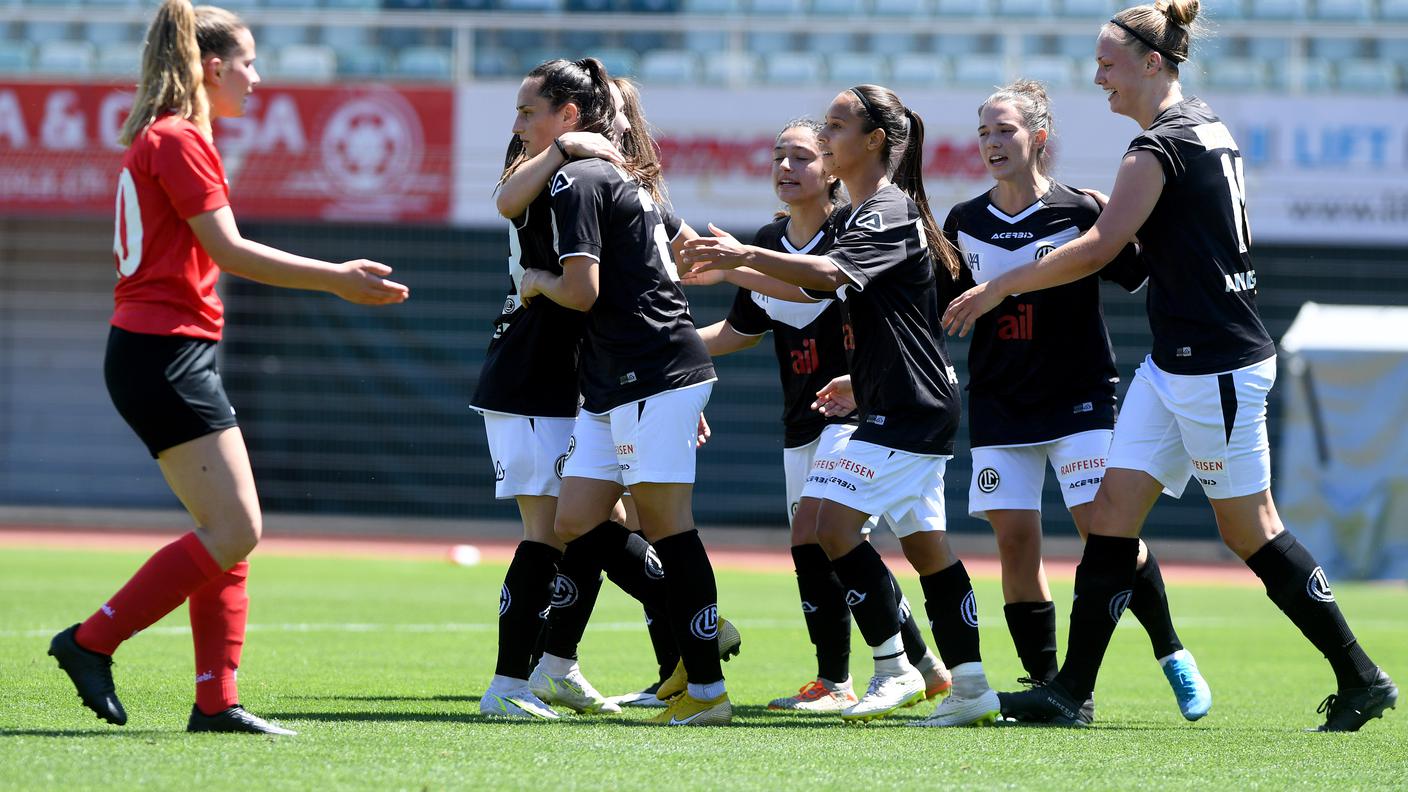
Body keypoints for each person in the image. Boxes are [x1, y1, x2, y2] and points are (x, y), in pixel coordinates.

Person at [943, 0, 1397, 731]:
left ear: (1153, 63)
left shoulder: (1157, 147)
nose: (1099, 79)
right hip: (1175, 363)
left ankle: (1361, 675)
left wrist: (998, 284)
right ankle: (1068, 691)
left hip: (1213, 366)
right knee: (1113, 524)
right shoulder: (1205, 126)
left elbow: (1098, 248)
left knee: (1250, 530)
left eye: (1107, 64)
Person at [47, 0, 408, 735]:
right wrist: (336, 277)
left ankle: (216, 701)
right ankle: (91, 641)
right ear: (212, 68)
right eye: (248, 62)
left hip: (166, 352)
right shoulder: (178, 139)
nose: (257, 78)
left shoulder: (170, 136)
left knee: (229, 529)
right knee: (235, 528)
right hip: (163, 353)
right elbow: (232, 251)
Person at [684, 85, 1000, 727]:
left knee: (830, 529)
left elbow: (826, 276)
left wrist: (739, 257)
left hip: (908, 407)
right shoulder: (865, 212)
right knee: (927, 548)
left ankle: (894, 670)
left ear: (875, 139)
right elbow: (817, 297)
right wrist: (737, 271)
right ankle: (967, 686)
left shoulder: (884, 209)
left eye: (835, 125)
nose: (825, 136)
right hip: (900, 400)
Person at [943, 80, 1210, 721]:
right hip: (1002, 401)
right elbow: (936, 314)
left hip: (1079, 395)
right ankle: (1046, 684)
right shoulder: (963, 222)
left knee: (1104, 532)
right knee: (1014, 539)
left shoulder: (1082, 211)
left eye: (1004, 129)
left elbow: (1145, 275)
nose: (991, 143)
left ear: (1037, 136)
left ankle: (1171, 652)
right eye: (983, 132)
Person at [518, 76, 732, 727]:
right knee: (575, 518)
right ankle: (704, 632)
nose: (521, 125)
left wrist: (536, 280)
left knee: (668, 526)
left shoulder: (576, 181)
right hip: (617, 380)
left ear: (571, 119)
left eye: (530, 113)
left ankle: (706, 690)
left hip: (649, 371)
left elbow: (580, 290)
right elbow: (694, 261)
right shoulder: (630, 184)